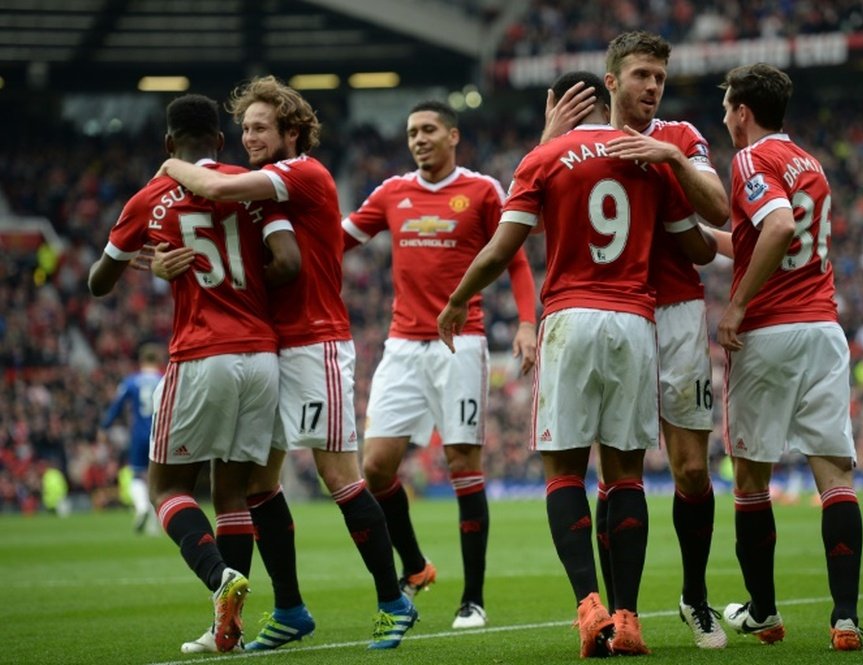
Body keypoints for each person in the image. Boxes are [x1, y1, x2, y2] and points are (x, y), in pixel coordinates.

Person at [439, 70, 698, 658]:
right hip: (635, 320)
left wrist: (458, 299)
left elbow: (503, 248)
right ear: (604, 96)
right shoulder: (647, 155)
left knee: (564, 473)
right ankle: (629, 618)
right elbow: (699, 247)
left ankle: (589, 607)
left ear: (556, 104)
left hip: (571, 318)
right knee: (625, 476)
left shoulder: (545, 157)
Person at [156, 75, 417, 651]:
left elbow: (209, 186)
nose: (249, 136)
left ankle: (393, 599)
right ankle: (292, 609)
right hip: (268, 346)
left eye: (260, 127)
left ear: (292, 132)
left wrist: (170, 165)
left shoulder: (302, 173)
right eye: (244, 128)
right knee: (257, 483)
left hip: (315, 341)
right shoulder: (261, 192)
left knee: (338, 476)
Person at [88, 93, 300, 653]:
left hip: (202, 352)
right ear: (222, 142)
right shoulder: (256, 187)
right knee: (231, 493)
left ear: (167, 145)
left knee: (165, 486)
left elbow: (97, 282)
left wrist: (157, 261)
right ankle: (226, 628)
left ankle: (217, 577)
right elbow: (288, 262)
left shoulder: (150, 199)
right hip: (263, 357)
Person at [542, 30, 730, 649]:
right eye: (643, 75)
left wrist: (670, 159)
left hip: (673, 313)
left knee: (693, 470)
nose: (653, 86)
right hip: (607, 312)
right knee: (613, 465)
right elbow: (540, 209)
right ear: (614, 81)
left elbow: (719, 212)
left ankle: (695, 597)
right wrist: (548, 142)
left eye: (660, 77)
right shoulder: (576, 148)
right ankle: (618, 611)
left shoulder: (680, 136)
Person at [342, 100, 538, 629]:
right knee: (376, 467)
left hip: (462, 343)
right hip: (402, 345)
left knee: (462, 467)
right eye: (411, 132)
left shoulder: (481, 190)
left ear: (453, 135)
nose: (418, 139)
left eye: (428, 129)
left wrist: (525, 322)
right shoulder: (390, 192)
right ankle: (415, 565)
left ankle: (472, 599)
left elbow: (514, 257)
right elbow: (339, 241)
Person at [715, 63, 863, 651]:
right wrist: (711, 238)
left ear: (743, 112)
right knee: (835, 477)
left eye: (728, 108)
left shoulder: (751, 159)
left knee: (751, 478)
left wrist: (735, 308)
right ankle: (845, 619)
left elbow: (775, 228)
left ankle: (765, 613)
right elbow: (773, 234)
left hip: (771, 331)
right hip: (822, 329)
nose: (726, 119)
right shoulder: (810, 163)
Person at [100, 342, 164, 534]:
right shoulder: (165, 379)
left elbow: (117, 405)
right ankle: (156, 522)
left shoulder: (131, 381)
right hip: (161, 435)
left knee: (138, 475)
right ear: (158, 360)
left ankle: (142, 507)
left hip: (138, 434)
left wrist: (104, 427)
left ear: (141, 360)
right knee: (159, 478)